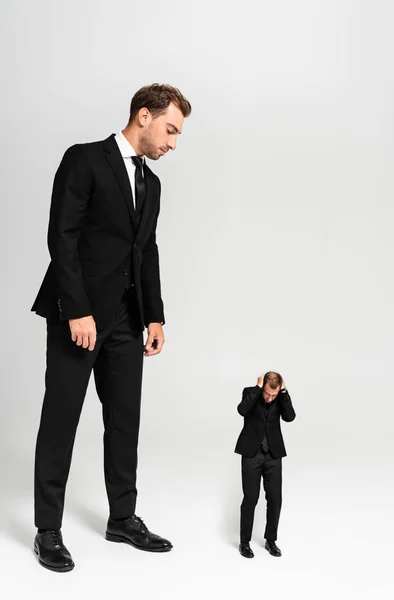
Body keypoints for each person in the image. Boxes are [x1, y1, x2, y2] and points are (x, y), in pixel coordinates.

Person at [31, 83, 192, 572]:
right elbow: (62, 236)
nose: (173, 143)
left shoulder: (153, 184)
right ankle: (48, 531)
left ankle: (122, 517)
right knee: (61, 422)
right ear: (144, 116)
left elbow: (147, 251)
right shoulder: (84, 159)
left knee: (125, 422)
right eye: (170, 130)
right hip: (78, 316)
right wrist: (76, 309)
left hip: (128, 320)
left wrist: (156, 315)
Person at [235, 371, 296, 558]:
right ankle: (244, 542)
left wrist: (283, 393)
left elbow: (290, 417)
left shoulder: (280, 397)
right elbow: (242, 410)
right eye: (267, 394)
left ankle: (271, 540)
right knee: (251, 498)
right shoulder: (250, 392)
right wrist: (257, 389)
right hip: (251, 453)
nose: (270, 398)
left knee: (275, 498)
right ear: (262, 387)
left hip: (273, 454)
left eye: (274, 395)